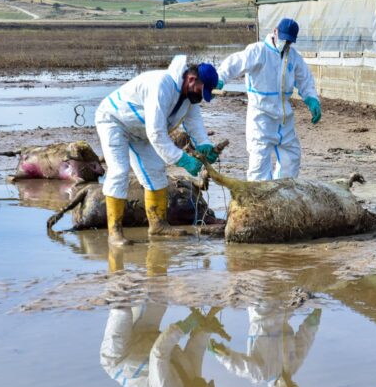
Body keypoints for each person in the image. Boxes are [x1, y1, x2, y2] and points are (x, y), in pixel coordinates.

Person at [95, 55, 220, 246]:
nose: (201, 97)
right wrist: (182, 159)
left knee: (156, 172)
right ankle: (114, 233)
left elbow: (194, 124)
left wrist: (204, 144)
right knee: (119, 171)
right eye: (201, 91)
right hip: (115, 121)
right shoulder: (162, 85)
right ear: (192, 79)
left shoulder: (189, 97)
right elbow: (156, 132)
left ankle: (158, 226)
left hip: (140, 130)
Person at [100, 245, 229, 387]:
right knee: (160, 294)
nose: (205, 382)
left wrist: (185, 325)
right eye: (208, 386)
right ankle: (152, 246)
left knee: (121, 308)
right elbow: (196, 349)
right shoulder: (194, 380)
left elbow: (159, 354)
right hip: (147, 336)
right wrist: (206, 329)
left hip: (119, 356)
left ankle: (115, 249)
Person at [216, 18, 321, 181]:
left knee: (291, 158)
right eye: (283, 39)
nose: (285, 43)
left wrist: (312, 99)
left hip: (284, 118)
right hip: (261, 117)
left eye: (289, 41)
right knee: (259, 164)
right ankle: (259, 203)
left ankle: (282, 194)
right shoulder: (258, 51)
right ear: (275, 31)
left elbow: (305, 79)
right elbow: (235, 63)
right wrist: (220, 77)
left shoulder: (293, 57)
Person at [209, 303, 321, 387]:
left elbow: (239, 365)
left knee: (265, 286)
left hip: (262, 314)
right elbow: (305, 341)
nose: (287, 384)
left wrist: (220, 353)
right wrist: (313, 322)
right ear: (295, 385)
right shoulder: (294, 365)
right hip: (285, 311)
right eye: (291, 386)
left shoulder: (262, 374)